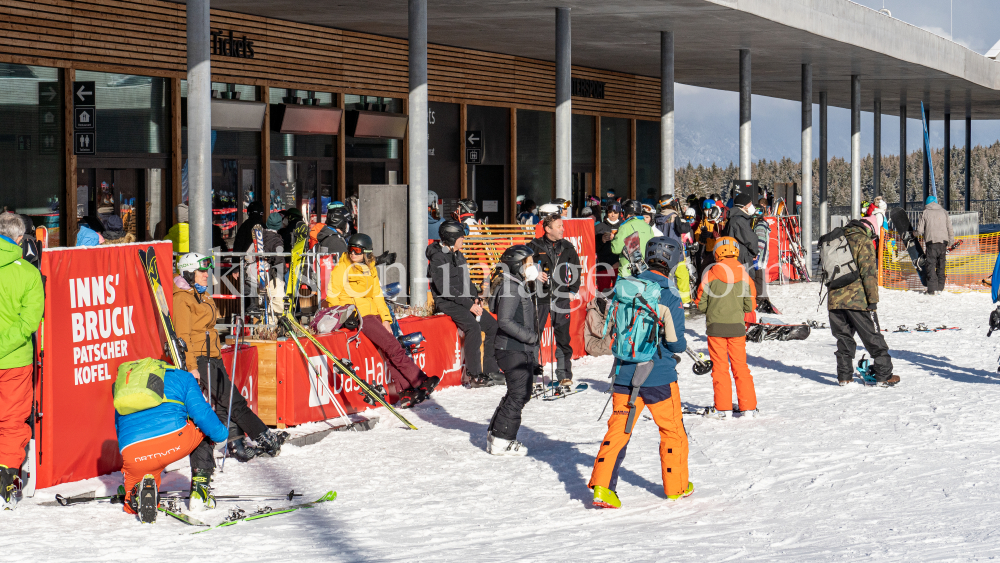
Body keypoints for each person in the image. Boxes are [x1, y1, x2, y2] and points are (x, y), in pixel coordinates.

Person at [173, 253, 287, 507]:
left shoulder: (200, 295)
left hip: (212, 353)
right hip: (200, 358)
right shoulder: (181, 299)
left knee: (226, 402)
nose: (207, 276)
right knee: (233, 399)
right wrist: (192, 367)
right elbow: (182, 337)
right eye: (202, 272)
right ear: (189, 274)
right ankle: (262, 435)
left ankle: (237, 444)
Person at [589, 237, 691, 508]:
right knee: (672, 431)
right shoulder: (669, 294)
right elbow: (676, 343)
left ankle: (602, 488)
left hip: (624, 373)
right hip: (658, 375)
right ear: (672, 261)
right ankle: (676, 486)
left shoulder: (626, 287)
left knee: (618, 431)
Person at [327, 233, 440, 407]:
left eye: (357, 250)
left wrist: (386, 319)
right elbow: (332, 297)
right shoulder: (341, 269)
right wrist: (346, 315)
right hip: (360, 316)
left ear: (366, 252)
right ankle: (419, 380)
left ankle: (405, 392)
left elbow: (378, 296)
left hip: (375, 314)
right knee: (393, 347)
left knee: (390, 352)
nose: (353, 254)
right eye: (350, 249)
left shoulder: (370, 268)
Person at [114, 362, 228, 522]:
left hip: (134, 453)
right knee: (204, 426)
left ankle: (136, 497)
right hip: (174, 442)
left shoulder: (126, 387)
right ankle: (200, 494)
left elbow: (121, 429)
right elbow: (203, 415)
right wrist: (222, 436)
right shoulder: (183, 377)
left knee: (132, 496)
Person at [0, 212, 44, 510]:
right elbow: (30, 322)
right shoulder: (28, 274)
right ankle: (6, 474)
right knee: (12, 419)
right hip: (14, 360)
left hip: (12, 358)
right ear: (19, 239)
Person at [426, 220, 502, 388]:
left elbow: (466, 281)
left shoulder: (458, 254)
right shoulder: (438, 258)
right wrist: (468, 304)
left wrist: (475, 297)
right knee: (473, 328)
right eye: (461, 237)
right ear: (452, 237)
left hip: (464, 301)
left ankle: (490, 370)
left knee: (492, 326)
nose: (463, 240)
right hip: (447, 302)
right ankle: (474, 375)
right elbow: (444, 288)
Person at [828, 220, 898, 386]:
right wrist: (872, 300)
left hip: (834, 299)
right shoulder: (863, 241)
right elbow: (869, 273)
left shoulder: (835, 240)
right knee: (873, 337)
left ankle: (844, 377)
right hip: (857, 300)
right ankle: (883, 375)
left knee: (843, 339)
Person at [695, 236, 758, 419]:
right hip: (737, 328)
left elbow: (701, 304)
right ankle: (748, 407)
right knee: (740, 366)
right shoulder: (744, 275)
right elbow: (749, 306)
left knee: (720, 367)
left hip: (715, 328)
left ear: (716, 252)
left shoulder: (710, 273)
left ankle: (723, 408)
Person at [487, 245, 539, 456]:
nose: (533, 266)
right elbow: (505, 321)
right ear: (518, 265)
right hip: (511, 349)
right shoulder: (511, 287)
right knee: (519, 394)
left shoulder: (517, 284)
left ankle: (496, 434)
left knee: (519, 392)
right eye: (528, 263)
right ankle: (502, 440)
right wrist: (531, 337)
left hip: (518, 349)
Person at [528, 213, 581, 387]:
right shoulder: (534, 246)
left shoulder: (567, 247)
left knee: (563, 338)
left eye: (562, 226)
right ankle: (532, 374)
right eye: (558, 226)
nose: (562, 229)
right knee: (533, 336)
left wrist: (573, 290)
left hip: (561, 298)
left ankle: (564, 374)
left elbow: (576, 269)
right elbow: (523, 267)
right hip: (540, 298)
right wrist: (535, 273)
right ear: (548, 229)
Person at [653, 197, 694, 305]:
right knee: (682, 275)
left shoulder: (657, 217)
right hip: (674, 251)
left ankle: (664, 300)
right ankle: (684, 301)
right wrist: (687, 223)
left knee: (665, 276)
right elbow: (682, 229)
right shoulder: (674, 216)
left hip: (661, 251)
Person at [916, 195, 955, 295]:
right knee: (941, 265)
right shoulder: (944, 212)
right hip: (943, 242)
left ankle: (931, 289)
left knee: (931, 265)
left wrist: (914, 233)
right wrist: (951, 241)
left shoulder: (925, 212)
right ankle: (940, 288)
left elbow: (920, 230)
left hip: (931, 242)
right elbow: (949, 228)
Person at [610, 199, 654, 272]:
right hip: (644, 270)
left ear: (626, 212)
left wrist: (613, 238)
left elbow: (616, 249)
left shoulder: (625, 227)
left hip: (627, 271)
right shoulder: (648, 227)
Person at [722, 192, 759, 269]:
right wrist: (755, 252)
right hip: (742, 258)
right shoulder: (739, 220)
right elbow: (750, 238)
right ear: (744, 206)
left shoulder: (733, 218)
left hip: (735, 256)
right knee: (746, 279)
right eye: (750, 203)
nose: (751, 206)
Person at [594, 201, 622, 292]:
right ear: (606, 213)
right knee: (603, 294)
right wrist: (601, 240)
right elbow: (593, 248)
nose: (613, 215)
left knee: (619, 294)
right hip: (603, 265)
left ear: (620, 213)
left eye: (615, 212)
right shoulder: (598, 227)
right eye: (610, 212)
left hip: (619, 266)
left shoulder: (623, 226)